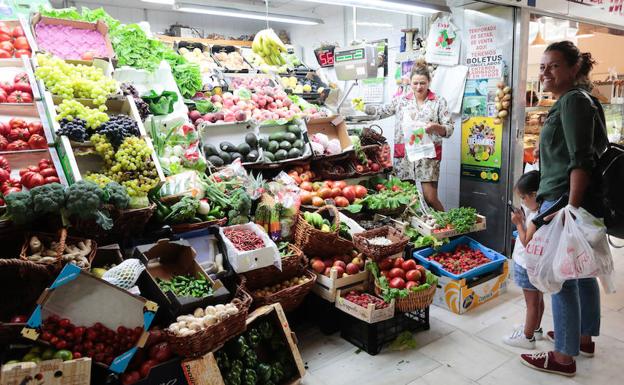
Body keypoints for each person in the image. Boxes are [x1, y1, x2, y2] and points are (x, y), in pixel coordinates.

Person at [519, 41, 608, 377]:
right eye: (542, 67)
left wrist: (569, 207)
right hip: (576, 199)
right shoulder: (584, 100)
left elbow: (580, 159)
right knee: (582, 272)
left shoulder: (572, 102)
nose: (545, 73)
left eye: (553, 66)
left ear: (573, 69)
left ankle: (563, 356)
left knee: (561, 278)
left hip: (564, 199)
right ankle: (582, 338)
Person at [365, 60, 454, 211]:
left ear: (429, 82)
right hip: (405, 156)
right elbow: (381, 111)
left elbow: (449, 129)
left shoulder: (438, 102)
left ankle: (446, 233)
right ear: (410, 82)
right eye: (415, 83)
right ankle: (417, 230)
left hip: (427, 157)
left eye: (422, 83)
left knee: (430, 198)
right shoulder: (401, 101)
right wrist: (362, 106)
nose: (419, 87)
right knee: (408, 199)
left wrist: (435, 127)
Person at [503, 171, 544, 349]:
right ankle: (535, 329)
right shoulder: (544, 208)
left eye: (523, 197)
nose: (521, 202)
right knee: (539, 299)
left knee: (531, 303)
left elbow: (526, 240)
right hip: (539, 265)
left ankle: (527, 338)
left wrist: (519, 223)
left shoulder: (536, 217)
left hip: (527, 264)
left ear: (534, 195)